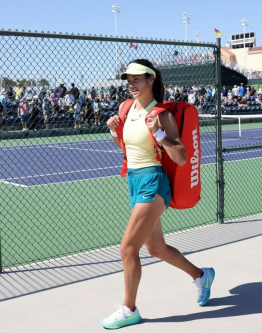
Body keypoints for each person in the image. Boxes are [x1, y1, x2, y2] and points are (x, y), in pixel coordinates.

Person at [102, 59, 214, 329]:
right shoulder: (125, 108)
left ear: (151, 79)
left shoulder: (162, 114)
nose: (131, 84)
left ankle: (129, 309)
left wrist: (159, 131)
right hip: (134, 180)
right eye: (128, 80)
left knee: (128, 248)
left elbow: (181, 156)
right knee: (156, 247)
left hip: (153, 182)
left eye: (137, 79)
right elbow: (127, 147)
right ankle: (201, 276)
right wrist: (114, 130)